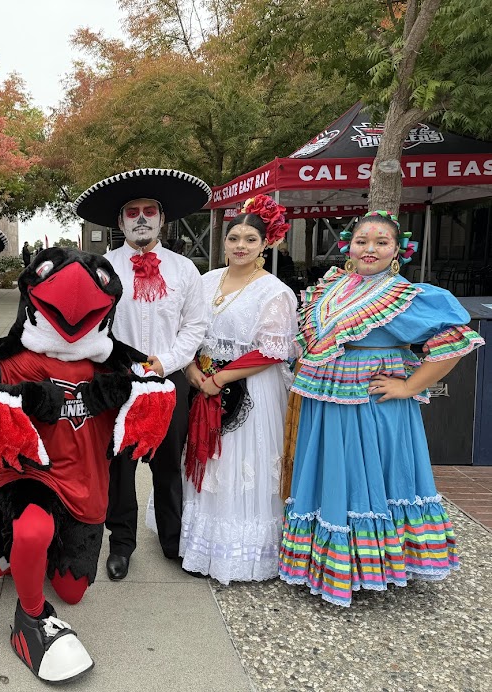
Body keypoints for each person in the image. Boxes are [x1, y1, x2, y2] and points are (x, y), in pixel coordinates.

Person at [0, 247, 175, 683]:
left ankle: (7, 537)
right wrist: (22, 397)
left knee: (72, 592)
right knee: (33, 529)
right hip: (34, 472)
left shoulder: (116, 363)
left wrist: (125, 393)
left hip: (87, 482)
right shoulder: (14, 360)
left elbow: (159, 390)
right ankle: (29, 617)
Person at [279, 211, 484, 606]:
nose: (369, 248)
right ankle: (326, 561)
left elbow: (455, 339)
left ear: (397, 251)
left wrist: (409, 385)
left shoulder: (404, 295)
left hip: (371, 399)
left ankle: (372, 564)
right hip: (326, 395)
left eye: (381, 242)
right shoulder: (331, 287)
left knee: (364, 472)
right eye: (361, 241)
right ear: (348, 246)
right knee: (332, 470)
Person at [147, 194, 297, 583]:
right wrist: (194, 368)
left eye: (250, 239)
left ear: (266, 243)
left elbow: (273, 349)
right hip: (202, 381)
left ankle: (240, 551)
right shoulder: (207, 279)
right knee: (201, 458)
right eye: (234, 238)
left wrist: (221, 378)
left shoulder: (274, 291)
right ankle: (193, 538)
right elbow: (190, 330)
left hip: (251, 390)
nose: (241, 246)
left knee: (237, 463)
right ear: (224, 242)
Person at [73, 168, 210, 580]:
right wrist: (120, 365)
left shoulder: (185, 269)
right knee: (120, 468)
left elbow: (196, 326)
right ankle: (121, 545)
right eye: (132, 212)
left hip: (170, 381)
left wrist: (166, 363)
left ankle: (173, 541)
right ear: (120, 222)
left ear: (163, 220)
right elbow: (89, 324)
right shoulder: (101, 267)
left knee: (169, 465)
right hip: (119, 382)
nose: (141, 218)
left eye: (150, 211)